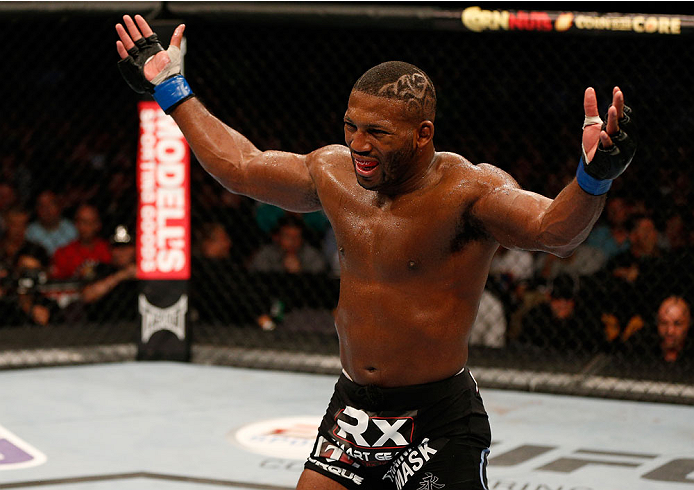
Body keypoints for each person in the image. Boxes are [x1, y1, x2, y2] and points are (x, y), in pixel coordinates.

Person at [115, 15, 637, 490]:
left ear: (422, 134)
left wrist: (592, 178)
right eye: (351, 126)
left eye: (377, 132)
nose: (358, 143)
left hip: (437, 415)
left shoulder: (468, 192)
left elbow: (555, 231)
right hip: (356, 410)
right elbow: (242, 167)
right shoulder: (334, 174)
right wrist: (171, 88)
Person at [80, 225, 138, 322]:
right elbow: (87, 296)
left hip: (136, 326)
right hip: (104, 327)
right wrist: (120, 276)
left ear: (135, 249)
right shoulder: (101, 269)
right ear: (110, 249)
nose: (121, 252)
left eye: (126, 247)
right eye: (117, 247)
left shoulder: (145, 270)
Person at [51, 204, 112, 281]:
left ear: (98, 225)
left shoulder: (109, 249)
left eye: (91, 222)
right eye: (83, 222)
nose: (87, 227)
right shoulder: (63, 253)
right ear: (76, 224)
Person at [250, 214, 327, 274]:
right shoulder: (266, 254)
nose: (292, 242)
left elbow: (320, 279)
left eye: (296, 237)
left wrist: (300, 272)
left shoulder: (312, 256)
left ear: (302, 239)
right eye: (287, 237)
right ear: (277, 237)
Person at [25, 190, 77, 256]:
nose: (47, 209)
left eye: (51, 204)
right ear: (36, 209)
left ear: (59, 206)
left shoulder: (73, 230)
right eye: (42, 205)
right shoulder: (29, 232)